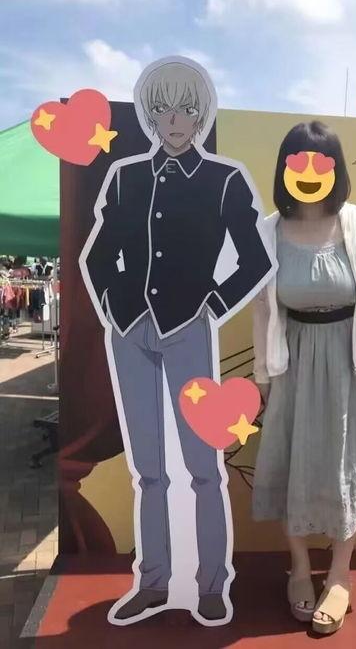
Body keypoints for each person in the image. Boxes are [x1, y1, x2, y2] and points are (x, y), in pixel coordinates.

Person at [80, 57, 273, 626]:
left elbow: (255, 259)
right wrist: (114, 307)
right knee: (148, 471)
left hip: (188, 328)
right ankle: (154, 582)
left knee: (203, 466)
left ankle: (212, 584)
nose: (174, 121)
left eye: (186, 109)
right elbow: (97, 255)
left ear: (201, 114)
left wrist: (212, 304)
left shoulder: (224, 180)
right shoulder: (126, 177)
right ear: (149, 113)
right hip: (130, 331)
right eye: (163, 108)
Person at [252, 121, 356, 635]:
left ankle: (339, 575)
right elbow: (263, 310)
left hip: (349, 363)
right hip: (292, 363)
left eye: (321, 163)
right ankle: (298, 568)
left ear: (336, 170)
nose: (310, 173)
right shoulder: (267, 231)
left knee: (345, 467)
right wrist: (263, 376)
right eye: (299, 163)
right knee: (291, 462)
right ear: (284, 170)